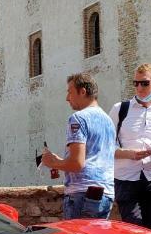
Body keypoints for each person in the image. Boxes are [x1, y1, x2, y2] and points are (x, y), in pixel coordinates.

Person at [109, 62, 151, 231]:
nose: (139, 88)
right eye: (136, 83)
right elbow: (105, 146)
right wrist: (128, 153)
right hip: (126, 178)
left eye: (145, 83)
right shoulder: (120, 109)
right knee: (133, 230)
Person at [42, 72, 115, 220]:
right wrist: (61, 161)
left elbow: (77, 163)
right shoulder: (108, 121)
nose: (67, 98)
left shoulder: (78, 118)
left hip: (82, 194)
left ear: (82, 92)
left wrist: (53, 162)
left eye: (70, 92)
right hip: (106, 194)